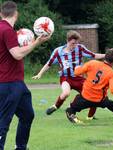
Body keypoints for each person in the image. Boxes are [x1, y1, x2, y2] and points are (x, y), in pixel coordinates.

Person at [0, 1, 51, 150]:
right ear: (16, 14)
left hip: (17, 83)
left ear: (1, 14)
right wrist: (36, 42)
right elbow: (17, 54)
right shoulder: (6, 30)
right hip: (8, 83)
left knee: (27, 115)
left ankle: (21, 147)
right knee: (4, 122)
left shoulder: (7, 30)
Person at [32, 30, 105, 119]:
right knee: (66, 93)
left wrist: (107, 55)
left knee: (93, 95)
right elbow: (49, 63)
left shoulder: (80, 48)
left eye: (76, 43)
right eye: (72, 43)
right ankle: (55, 106)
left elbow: (94, 55)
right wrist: (40, 74)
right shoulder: (58, 51)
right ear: (67, 41)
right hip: (66, 77)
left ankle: (90, 116)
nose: (74, 46)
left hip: (79, 78)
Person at [65, 48, 113, 124]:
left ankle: (72, 116)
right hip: (99, 101)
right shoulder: (112, 73)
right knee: (110, 103)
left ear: (105, 57)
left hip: (85, 98)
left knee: (70, 109)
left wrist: (76, 68)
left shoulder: (92, 63)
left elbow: (77, 73)